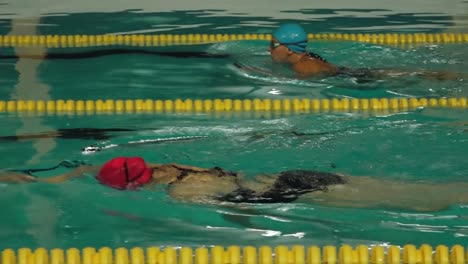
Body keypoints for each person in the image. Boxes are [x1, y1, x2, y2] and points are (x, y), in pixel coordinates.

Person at [1, 156, 467, 212]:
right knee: (443, 191)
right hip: (298, 172)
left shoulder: (182, 194)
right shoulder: (174, 168)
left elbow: (241, 211)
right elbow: (89, 169)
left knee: (423, 207)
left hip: (305, 192)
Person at [268, 23, 464, 81]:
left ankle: (449, 76)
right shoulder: (303, 59)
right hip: (350, 72)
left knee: (412, 76)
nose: (269, 49)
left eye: (273, 44)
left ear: (290, 50)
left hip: (357, 80)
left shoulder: (305, 66)